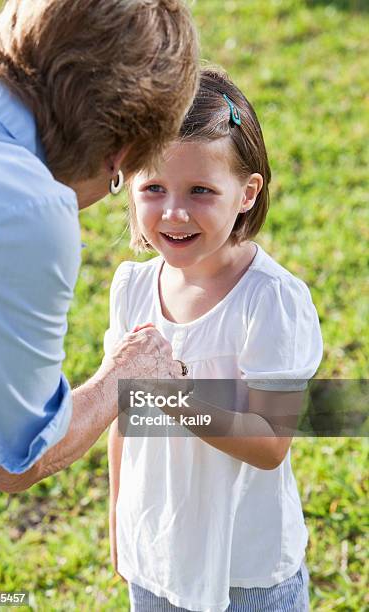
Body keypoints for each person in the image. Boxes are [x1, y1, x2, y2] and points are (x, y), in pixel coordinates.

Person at [107, 68, 323, 611]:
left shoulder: (270, 300)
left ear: (247, 193)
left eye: (201, 190)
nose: (174, 212)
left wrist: (171, 397)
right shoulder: (132, 287)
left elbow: (270, 445)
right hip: (157, 559)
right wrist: (118, 522)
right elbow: (123, 418)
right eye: (153, 188)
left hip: (243, 571)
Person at [0, 0, 199, 492]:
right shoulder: (27, 209)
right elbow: (19, 459)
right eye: (129, 182)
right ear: (120, 153)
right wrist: (125, 376)